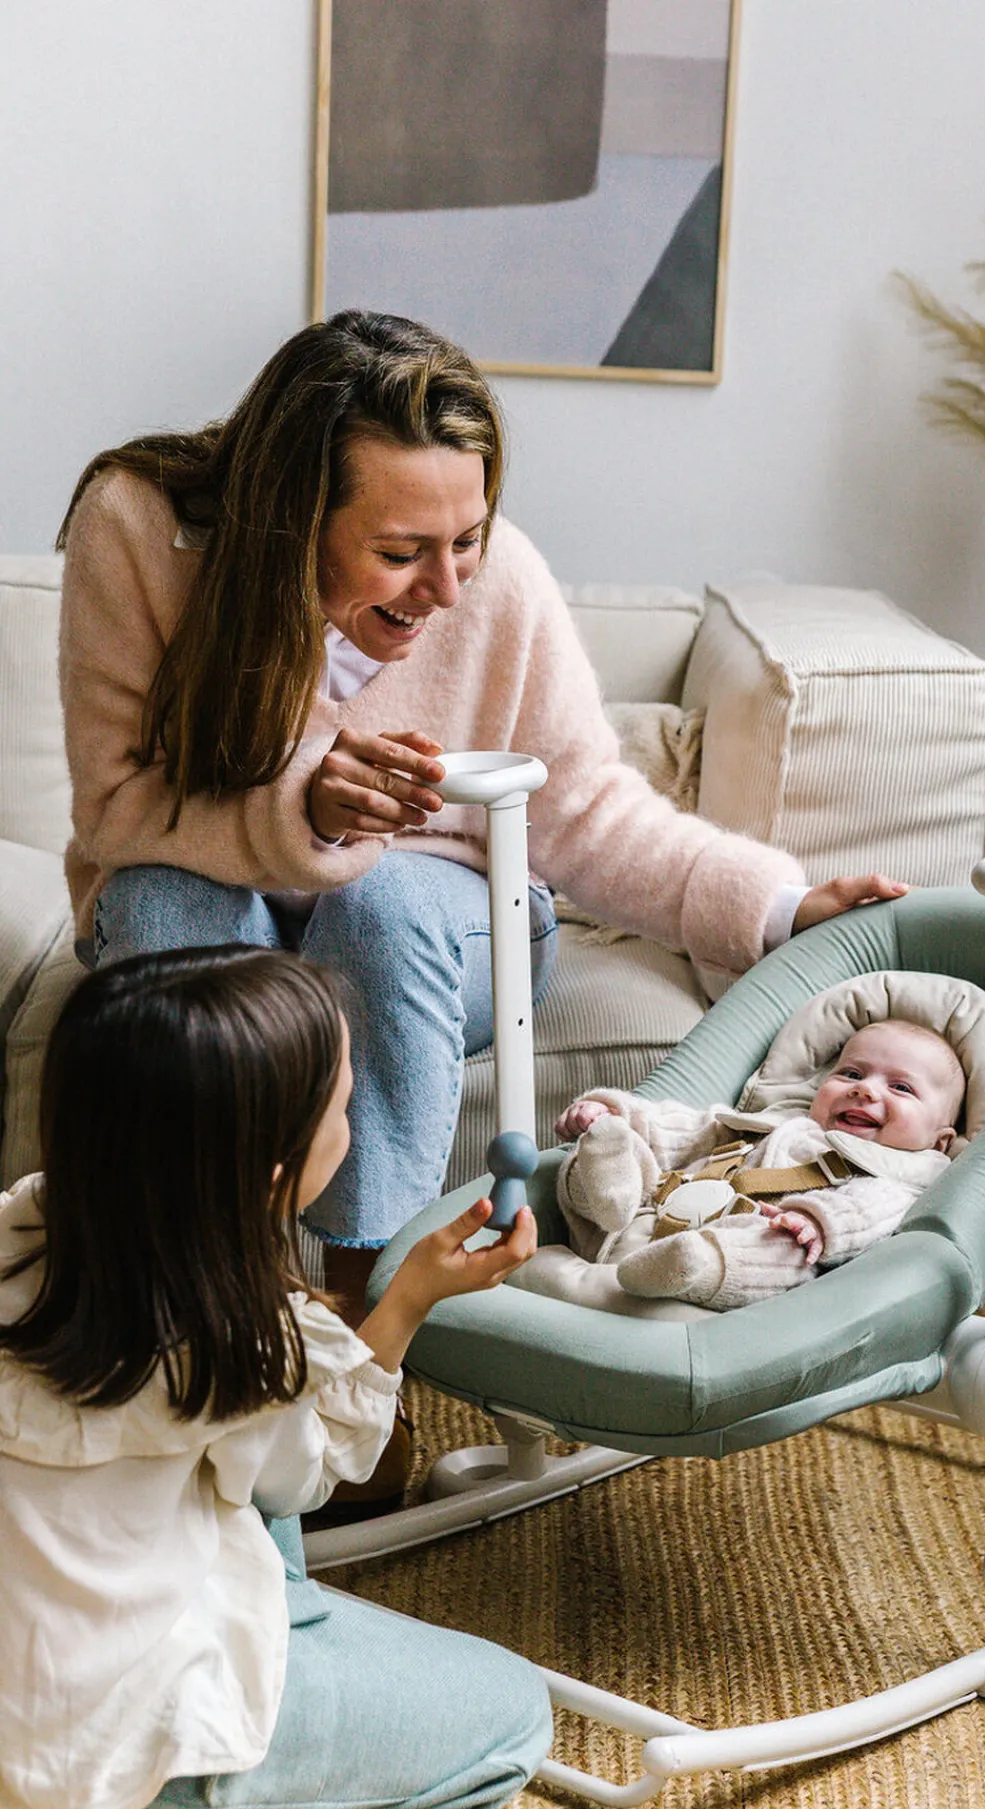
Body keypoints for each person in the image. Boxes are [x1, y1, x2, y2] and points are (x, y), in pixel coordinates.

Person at [56, 308, 908, 1335]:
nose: (451, 587)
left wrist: (778, 905)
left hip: (435, 927)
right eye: (400, 551)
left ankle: (364, 1323)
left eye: (468, 539)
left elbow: (586, 809)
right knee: (159, 904)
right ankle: (193, 1308)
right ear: (289, 518)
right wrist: (301, 804)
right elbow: (115, 802)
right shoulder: (139, 529)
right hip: (216, 906)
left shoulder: (497, 580)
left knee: (384, 901)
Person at [0, 948, 550, 1809]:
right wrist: (405, 1303)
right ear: (271, 1170)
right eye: (341, 1105)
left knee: (244, 1512)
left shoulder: (28, 1228)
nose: (351, 1116)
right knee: (511, 1719)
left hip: (39, 1689)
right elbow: (305, 1480)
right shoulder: (238, 1344)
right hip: (96, 1769)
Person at [547, 1019, 966, 1312]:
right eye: (852, 1073)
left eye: (900, 1087)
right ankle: (607, 1172)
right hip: (645, 1214)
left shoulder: (901, 1174)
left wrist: (816, 1222)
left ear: (940, 1139)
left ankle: (693, 1266)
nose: (865, 1090)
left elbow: (869, 1209)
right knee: (611, 1150)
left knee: (787, 1256)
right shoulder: (777, 1122)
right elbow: (692, 1128)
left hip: (757, 1239)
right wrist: (623, 1115)